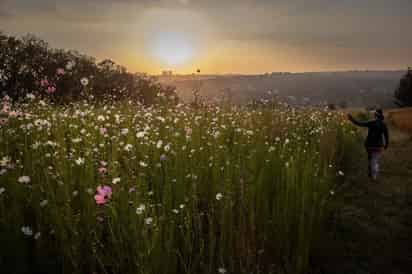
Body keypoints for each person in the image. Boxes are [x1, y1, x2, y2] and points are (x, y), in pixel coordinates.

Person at [347, 109, 389, 181]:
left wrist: (351, 119)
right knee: (375, 160)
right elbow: (386, 135)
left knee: (370, 159)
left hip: (369, 145)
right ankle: (374, 175)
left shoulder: (371, 122)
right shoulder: (383, 124)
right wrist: (386, 145)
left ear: (375, 115)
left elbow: (359, 123)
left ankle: (372, 174)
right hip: (379, 146)